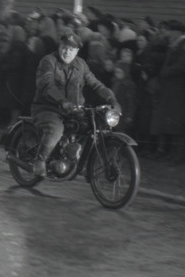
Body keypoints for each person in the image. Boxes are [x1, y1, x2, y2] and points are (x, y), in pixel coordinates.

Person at [30, 31, 121, 177]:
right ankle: (40, 160)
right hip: (48, 108)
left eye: (71, 49)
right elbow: (47, 85)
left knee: (92, 126)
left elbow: (96, 84)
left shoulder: (81, 64)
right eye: (64, 47)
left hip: (73, 109)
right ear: (59, 46)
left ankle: (73, 156)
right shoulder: (48, 61)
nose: (67, 52)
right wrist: (62, 101)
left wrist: (112, 99)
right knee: (55, 129)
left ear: (77, 51)